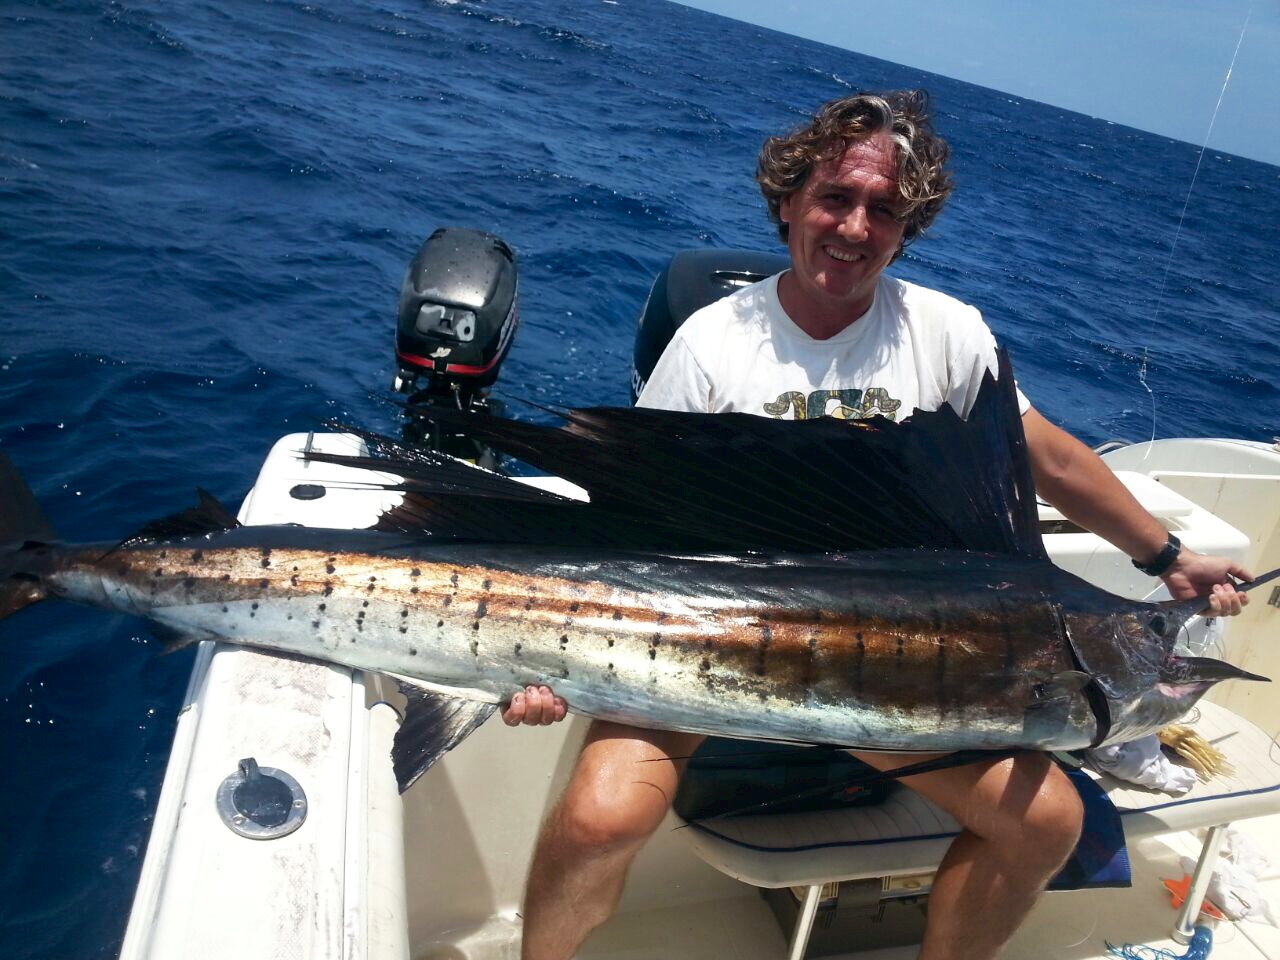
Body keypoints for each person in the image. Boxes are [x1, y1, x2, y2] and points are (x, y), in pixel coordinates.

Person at [503, 90, 1252, 960]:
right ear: (789, 202)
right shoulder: (712, 344)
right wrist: (536, 657)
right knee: (596, 821)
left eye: (884, 210)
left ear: (907, 228)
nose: (855, 228)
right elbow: (632, 529)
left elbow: (1046, 456)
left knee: (1047, 822)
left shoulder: (947, 333)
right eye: (835, 198)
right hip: (718, 648)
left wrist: (1167, 556)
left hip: (913, 676)